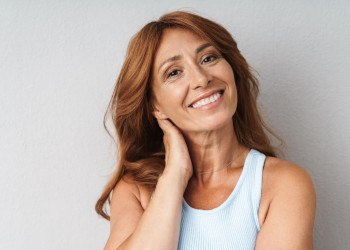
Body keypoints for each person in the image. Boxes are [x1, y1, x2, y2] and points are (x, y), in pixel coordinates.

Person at [95, 11, 316, 250]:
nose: (201, 79)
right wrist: (175, 175)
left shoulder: (282, 184)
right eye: (174, 72)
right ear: (154, 105)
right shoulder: (135, 189)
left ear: (232, 70)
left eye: (208, 58)